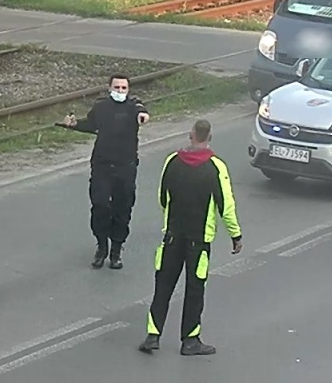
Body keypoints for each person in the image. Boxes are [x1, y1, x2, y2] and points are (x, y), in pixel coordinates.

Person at [138, 119, 242, 356]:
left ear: (190, 135)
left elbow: (163, 197)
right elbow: (226, 206)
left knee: (163, 286)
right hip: (199, 241)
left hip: (172, 237)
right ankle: (190, 341)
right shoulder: (216, 167)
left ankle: (153, 336)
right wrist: (235, 235)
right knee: (194, 290)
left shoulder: (172, 161)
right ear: (210, 137)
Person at [62, 74, 150, 269]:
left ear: (128, 90)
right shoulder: (101, 107)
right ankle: (101, 245)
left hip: (125, 167)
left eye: (123, 88)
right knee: (100, 205)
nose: (120, 91)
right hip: (102, 166)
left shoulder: (133, 106)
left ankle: (116, 250)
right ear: (109, 88)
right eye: (117, 88)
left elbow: (141, 110)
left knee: (123, 208)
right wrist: (75, 125)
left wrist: (143, 116)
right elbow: (91, 125)